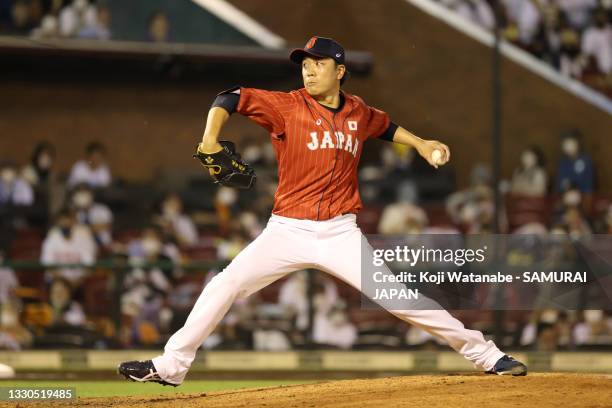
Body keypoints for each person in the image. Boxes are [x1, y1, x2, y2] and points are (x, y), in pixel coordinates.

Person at [119, 36, 527, 386]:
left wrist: (421, 144)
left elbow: (384, 126)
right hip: (287, 230)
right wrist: (209, 139)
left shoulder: (357, 111)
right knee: (225, 284)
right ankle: (171, 366)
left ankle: (488, 356)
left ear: (340, 71)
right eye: (305, 65)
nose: (309, 71)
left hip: (339, 233)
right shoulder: (286, 106)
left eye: (319, 64)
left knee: (396, 297)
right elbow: (229, 97)